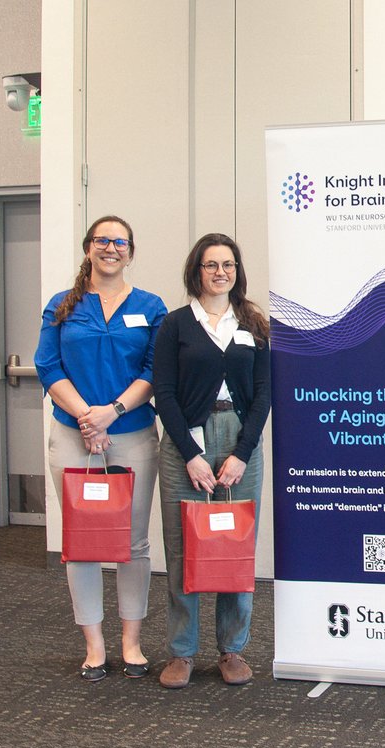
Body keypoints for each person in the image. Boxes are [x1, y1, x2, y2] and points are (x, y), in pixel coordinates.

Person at [35, 215, 167, 682]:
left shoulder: (151, 306)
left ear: (131, 251)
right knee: (83, 545)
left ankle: (131, 642)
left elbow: (155, 370)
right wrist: (86, 418)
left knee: (132, 543)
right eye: (102, 240)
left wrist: (109, 412)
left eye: (120, 242)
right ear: (88, 248)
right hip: (73, 436)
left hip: (130, 433)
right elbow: (47, 365)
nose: (111, 248)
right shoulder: (62, 305)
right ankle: (94, 645)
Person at [153, 232, 271, 689]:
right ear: (196, 271)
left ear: (237, 272)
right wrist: (191, 455)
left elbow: (263, 394)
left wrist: (241, 453)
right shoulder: (176, 325)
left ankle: (232, 649)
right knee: (183, 547)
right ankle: (182, 652)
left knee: (234, 546)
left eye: (228, 264)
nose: (220, 272)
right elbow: (164, 393)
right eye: (210, 264)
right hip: (186, 444)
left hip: (240, 441)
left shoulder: (254, 324)